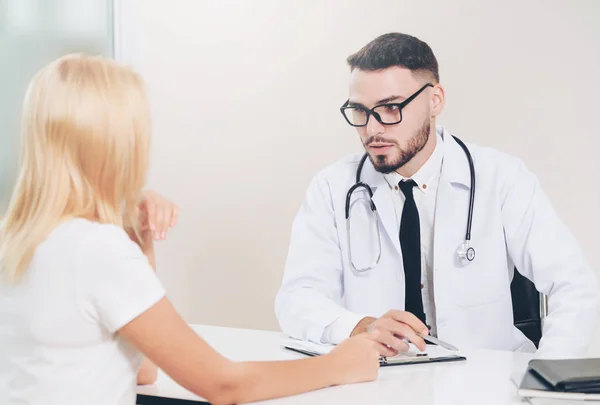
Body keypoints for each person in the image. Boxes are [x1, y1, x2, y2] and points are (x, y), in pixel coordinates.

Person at [0, 54, 381, 405]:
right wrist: (338, 365)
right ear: (117, 147)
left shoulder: (18, 238)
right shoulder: (96, 249)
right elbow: (224, 384)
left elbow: (143, 369)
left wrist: (139, 239)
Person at [275, 32, 600, 359]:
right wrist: (360, 325)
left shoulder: (501, 177)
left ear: (435, 101)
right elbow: (297, 299)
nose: (372, 130)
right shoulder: (333, 187)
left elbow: (574, 288)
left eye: (390, 108)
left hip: (488, 379)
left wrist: (544, 378)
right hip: (382, 381)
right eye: (360, 111)